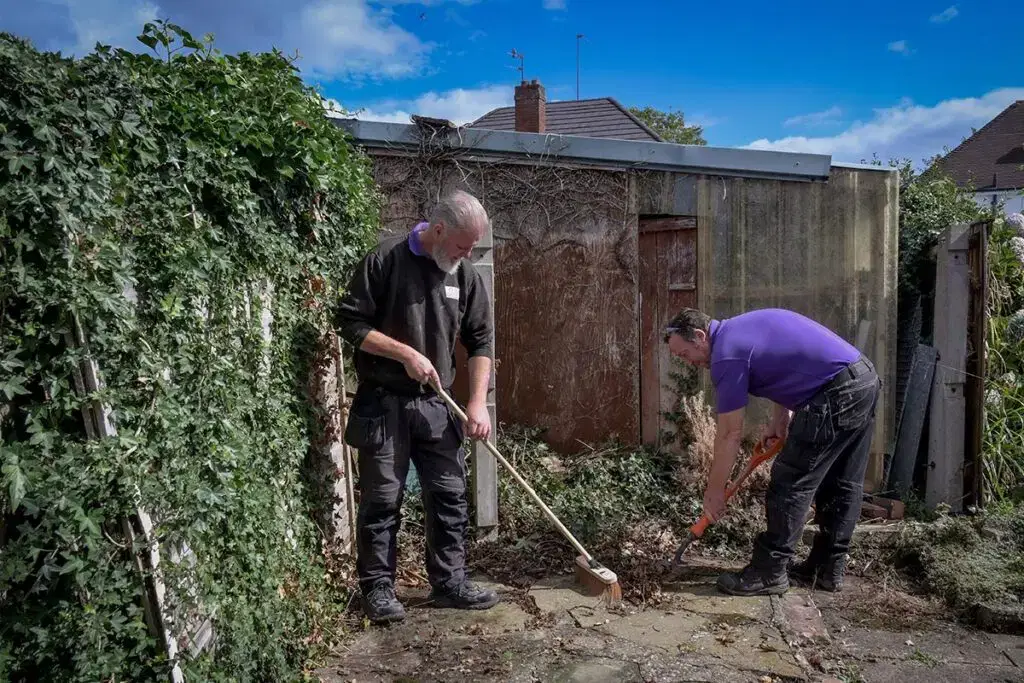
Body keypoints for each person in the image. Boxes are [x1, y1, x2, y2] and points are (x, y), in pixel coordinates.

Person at [336, 189, 498, 623]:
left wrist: (477, 403)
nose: (467, 254)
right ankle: (378, 590)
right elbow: (349, 322)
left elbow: (480, 341)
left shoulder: (463, 276)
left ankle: (449, 583)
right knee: (383, 498)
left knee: (449, 494)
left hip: (436, 407)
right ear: (439, 230)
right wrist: (404, 354)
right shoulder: (385, 259)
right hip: (383, 404)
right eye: (463, 245)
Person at [663, 307, 880, 596]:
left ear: (701, 336)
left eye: (683, 353)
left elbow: (730, 433)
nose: (686, 362)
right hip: (862, 380)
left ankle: (769, 572)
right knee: (840, 482)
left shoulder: (726, 354)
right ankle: (827, 568)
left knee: (790, 482)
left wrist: (714, 491)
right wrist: (781, 417)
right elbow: (786, 362)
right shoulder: (742, 328)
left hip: (835, 393)